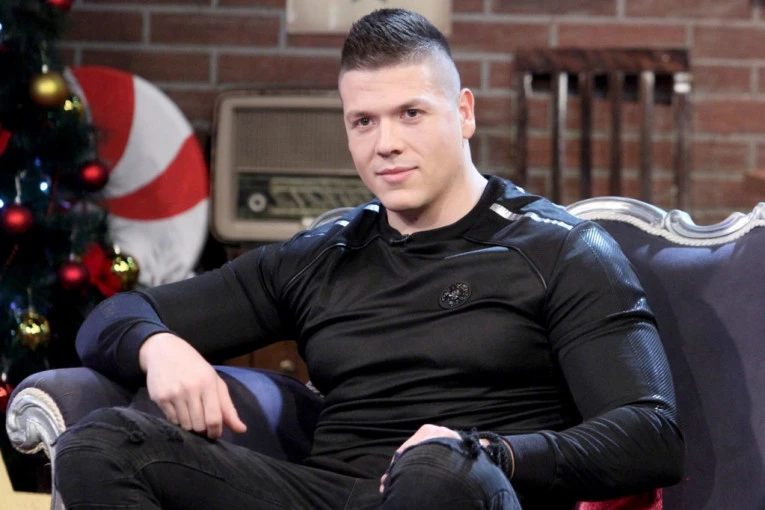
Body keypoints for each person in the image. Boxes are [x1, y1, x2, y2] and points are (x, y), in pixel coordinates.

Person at [54, 8, 684, 510]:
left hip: (468, 488)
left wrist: (491, 452)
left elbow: (651, 436)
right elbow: (111, 317)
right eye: (363, 122)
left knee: (437, 472)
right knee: (100, 446)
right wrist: (157, 346)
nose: (387, 144)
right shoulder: (322, 255)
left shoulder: (560, 248)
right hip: (331, 493)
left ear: (463, 113)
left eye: (411, 114)